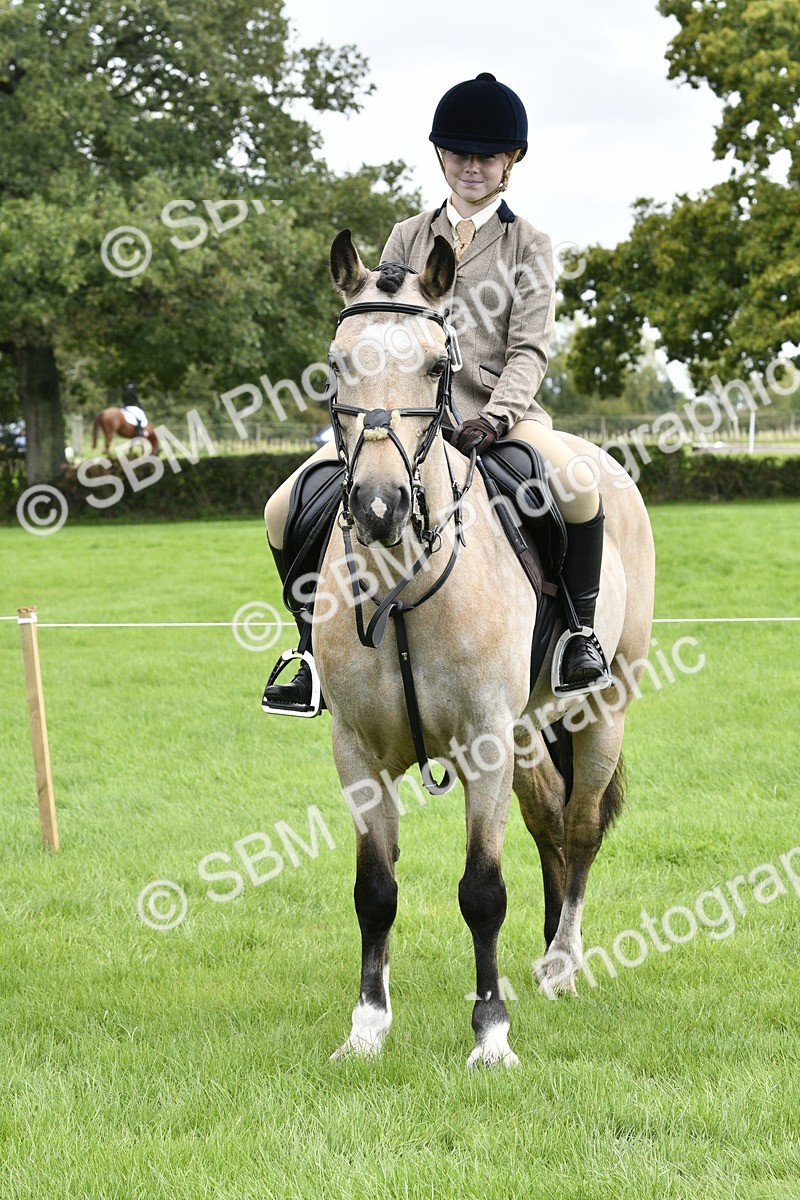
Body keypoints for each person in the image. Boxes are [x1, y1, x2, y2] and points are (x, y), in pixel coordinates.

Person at [263, 71, 610, 713]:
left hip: (499, 418)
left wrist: (495, 418)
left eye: (487, 156)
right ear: (442, 156)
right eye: (459, 154)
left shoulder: (528, 245)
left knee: (579, 488)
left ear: (510, 163)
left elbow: (528, 349)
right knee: (284, 508)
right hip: (400, 423)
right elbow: (379, 326)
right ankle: (309, 650)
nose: (471, 166)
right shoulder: (407, 235)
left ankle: (578, 636)